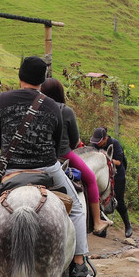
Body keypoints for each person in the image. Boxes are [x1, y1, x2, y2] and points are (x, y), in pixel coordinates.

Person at [0, 56, 93, 277]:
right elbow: (57, 144)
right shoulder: (52, 105)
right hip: (47, 167)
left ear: (20, 76)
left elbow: (0, 137)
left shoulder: (2, 100)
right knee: (76, 207)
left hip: (10, 168)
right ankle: (79, 262)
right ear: (42, 80)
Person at [41, 77, 112, 237]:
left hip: (40, 155)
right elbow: (75, 141)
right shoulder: (66, 110)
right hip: (64, 154)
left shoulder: (37, 109)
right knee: (91, 179)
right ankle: (97, 221)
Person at [90, 126, 132, 237]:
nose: (96, 144)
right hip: (102, 176)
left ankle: (128, 226)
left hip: (117, 175)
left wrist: (104, 159)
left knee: (119, 201)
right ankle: (103, 228)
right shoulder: (94, 145)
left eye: (99, 142)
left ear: (105, 138)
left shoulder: (114, 143)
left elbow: (118, 162)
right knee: (98, 201)